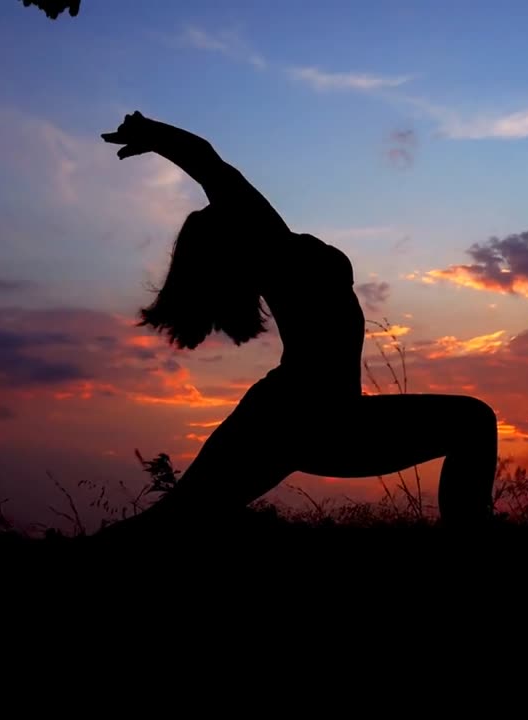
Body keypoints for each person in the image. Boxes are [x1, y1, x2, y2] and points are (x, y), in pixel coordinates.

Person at [98, 111, 497, 538]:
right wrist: (154, 134)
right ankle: (470, 539)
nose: (240, 204)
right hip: (306, 417)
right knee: (471, 421)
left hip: (308, 415)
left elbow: (214, 170)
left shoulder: (277, 257)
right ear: (236, 235)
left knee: (178, 518)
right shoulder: (276, 252)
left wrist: (155, 137)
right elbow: (209, 163)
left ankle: (470, 536)